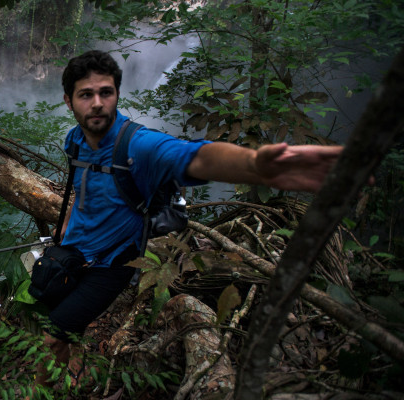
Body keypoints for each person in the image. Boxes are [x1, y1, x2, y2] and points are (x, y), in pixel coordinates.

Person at [37, 50, 343, 386]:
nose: (97, 103)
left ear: (117, 95)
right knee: (59, 316)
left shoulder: (139, 147)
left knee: (52, 335)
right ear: (69, 101)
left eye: (105, 92)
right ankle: (76, 365)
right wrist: (65, 226)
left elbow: (195, 156)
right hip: (73, 251)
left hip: (111, 266)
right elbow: (82, 189)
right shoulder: (75, 140)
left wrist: (256, 166)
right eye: (86, 94)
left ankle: (38, 390)